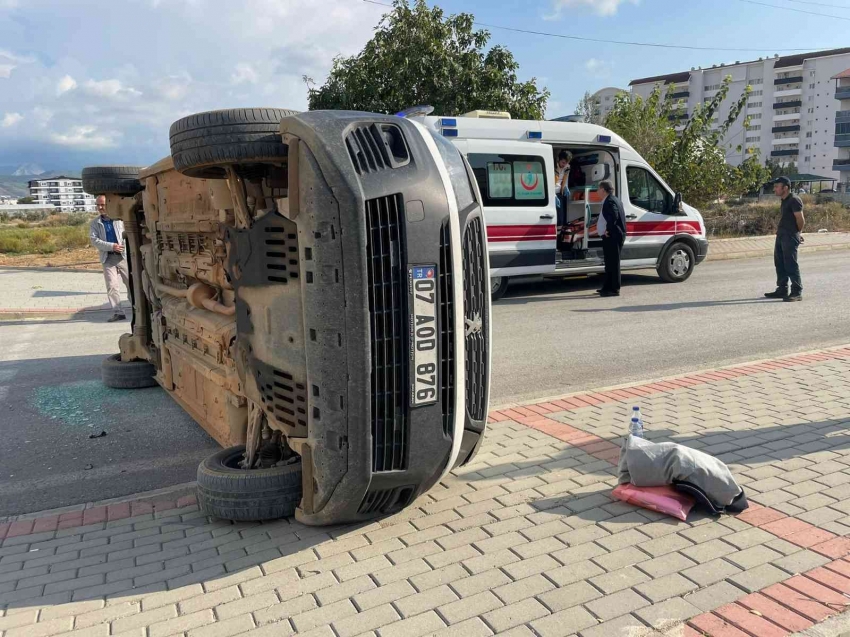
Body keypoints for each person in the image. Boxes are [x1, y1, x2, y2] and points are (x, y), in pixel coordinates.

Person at [764, 176, 805, 302]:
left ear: (785, 188)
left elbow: (800, 219)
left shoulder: (794, 200)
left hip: (790, 236)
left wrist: (797, 233)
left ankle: (796, 292)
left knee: (791, 264)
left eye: (777, 186)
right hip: (781, 235)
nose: (774, 189)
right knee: (780, 263)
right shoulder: (784, 199)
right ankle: (782, 289)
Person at [89, 195, 130, 321]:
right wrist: (112, 246)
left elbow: (129, 234)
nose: (100, 207)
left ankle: (137, 308)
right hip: (108, 258)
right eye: (98, 205)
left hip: (124, 257)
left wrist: (122, 246)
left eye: (103, 204)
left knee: (131, 284)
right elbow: (94, 240)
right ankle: (118, 312)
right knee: (112, 286)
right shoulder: (95, 223)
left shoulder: (120, 220)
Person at [596, 180, 627, 297]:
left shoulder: (610, 201)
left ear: (603, 190)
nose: (597, 191)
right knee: (609, 263)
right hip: (611, 236)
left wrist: (608, 230)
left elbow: (614, 215)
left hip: (613, 236)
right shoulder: (612, 199)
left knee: (613, 263)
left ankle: (614, 289)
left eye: (599, 189)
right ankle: (607, 287)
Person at [554, 150, 572, 226]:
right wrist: (553, 195)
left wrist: (565, 187)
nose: (564, 165)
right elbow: (549, 182)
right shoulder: (553, 167)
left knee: (561, 218)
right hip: (553, 193)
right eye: (563, 162)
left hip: (559, 193)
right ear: (558, 160)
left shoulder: (567, 167)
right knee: (556, 218)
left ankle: (560, 235)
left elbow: (565, 179)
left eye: (566, 163)